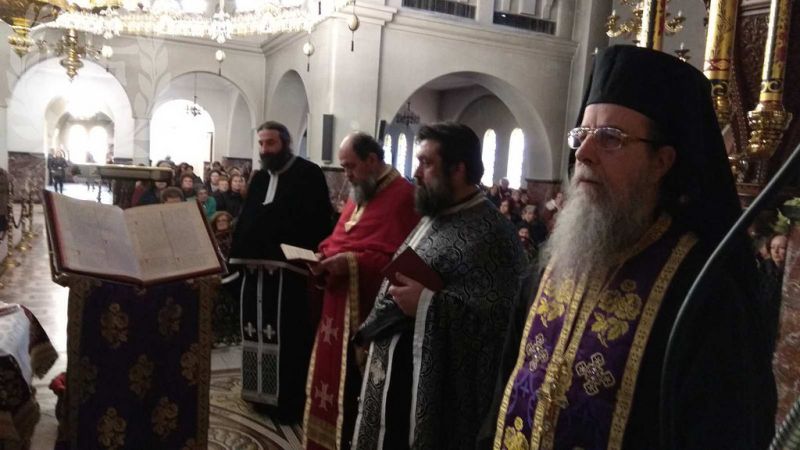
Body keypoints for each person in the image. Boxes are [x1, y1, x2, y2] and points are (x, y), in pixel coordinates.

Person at [487, 45, 776, 450]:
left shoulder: (704, 294)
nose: (583, 153)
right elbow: (503, 397)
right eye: (581, 135)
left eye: (610, 138)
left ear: (662, 161)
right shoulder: (551, 268)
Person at [351, 122, 526, 449]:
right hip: (395, 377)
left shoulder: (495, 236)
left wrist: (428, 305)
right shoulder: (436, 215)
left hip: (436, 400)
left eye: (426, 162)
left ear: (458, 169)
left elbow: (500, 326)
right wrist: (369, 331)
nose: (416, 173)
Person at [303, 132, 420, 450]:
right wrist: (323, 254)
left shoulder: (404, 197)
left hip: (366, 317)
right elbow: (340, 238)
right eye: (342, 167)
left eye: (350, 166)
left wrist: (351, 263)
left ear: (372, 160)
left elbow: (401, 261)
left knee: (357, 392)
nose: (346, 174)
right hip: (335, 309)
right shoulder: (360, 192)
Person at [229, 121, 333, 422]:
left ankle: (288, 401)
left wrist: (273, 239)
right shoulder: (260, 178)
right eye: (261, 144)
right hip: (255, 276)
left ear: (286, 143)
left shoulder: (308, 174)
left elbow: (316, 221)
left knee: (290, 339)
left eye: (270, 143)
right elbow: (246, 220)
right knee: (254, 334)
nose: (265, 150)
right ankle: (256, 395)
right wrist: (241, 255)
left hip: (289, 277)